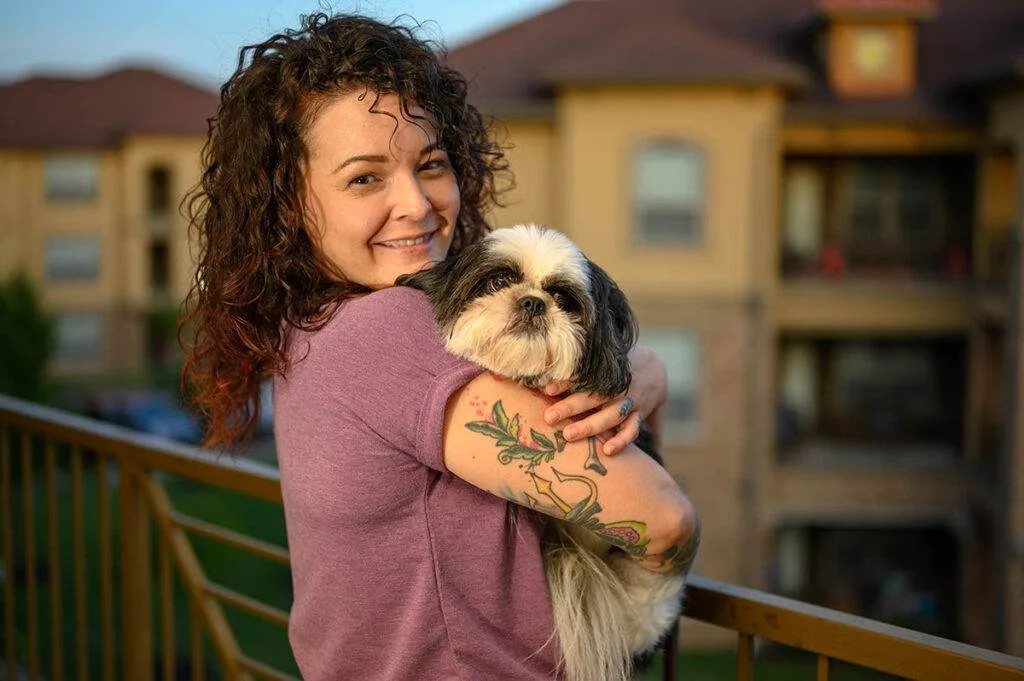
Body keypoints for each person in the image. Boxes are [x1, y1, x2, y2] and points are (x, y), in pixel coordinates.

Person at [181, 12, 700, 681]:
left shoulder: (307, 325)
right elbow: (663, 520)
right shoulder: (393, 328)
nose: (417, 205)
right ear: (290, 205)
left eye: (431, 164)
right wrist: (644, 372)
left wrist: (640, 374)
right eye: (365, 178)